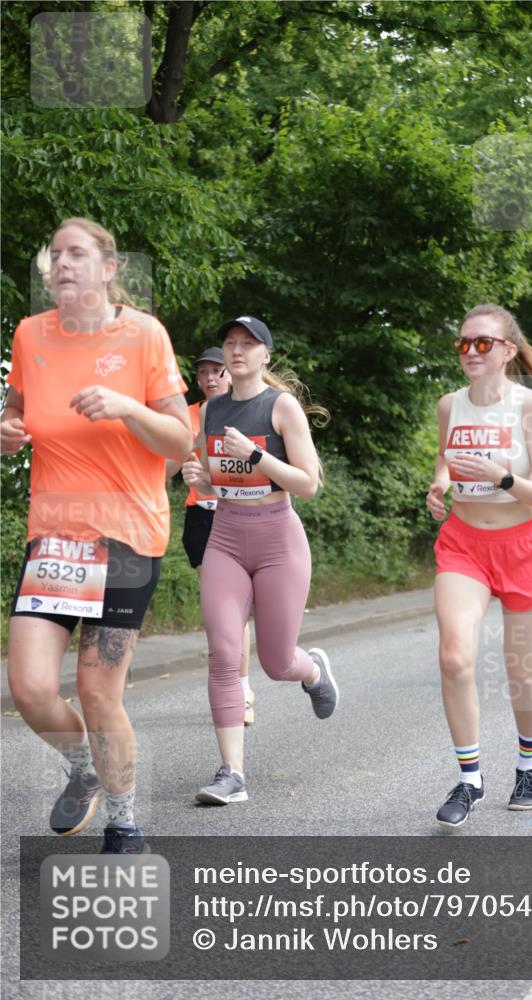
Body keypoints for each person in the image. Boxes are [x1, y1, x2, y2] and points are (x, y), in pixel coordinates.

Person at [1, 217, 191, 853]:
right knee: (28, 687)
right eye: (54, 255)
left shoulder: (143, 336)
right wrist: (5, 430)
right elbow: (17, 412)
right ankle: (82, 768)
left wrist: (127, 406)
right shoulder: (31, 335)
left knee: (96, 688)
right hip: (57, 538)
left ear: (109, 269)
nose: (61, 264)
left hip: (128, 537)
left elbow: (180, 439)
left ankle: (124, 822)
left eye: (76, 254)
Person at [182, 315, 337, 805]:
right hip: (225, 536)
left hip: (278, 539)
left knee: (274, 661)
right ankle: (231, 773)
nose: (236, 350)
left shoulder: (281, 406)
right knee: (225, 655)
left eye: (248, 344)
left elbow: (309, 485)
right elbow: (216, 479)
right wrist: (198, 475)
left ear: (265, 355)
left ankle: (311, 669)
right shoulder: (212, 410)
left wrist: (254, 455)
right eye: (230, 343)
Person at [426, 303, 532, 829]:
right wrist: (440, 485)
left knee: (520, 668)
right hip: (464, 544)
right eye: (463, 343)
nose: (469, 352)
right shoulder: (449, 404)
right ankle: (470, 779)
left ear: (507, 350)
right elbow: (446, 457)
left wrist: (502, 477)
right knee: (454, 657)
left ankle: (528, 766)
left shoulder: (528, 407)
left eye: (482, 343)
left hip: (524, 542)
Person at [166, 347, 255, 725]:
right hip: (200, 519)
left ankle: (243, 689)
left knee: (236, 609)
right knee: (221, 610)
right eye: (203, 373)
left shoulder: (249, 411)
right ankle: (231, 686)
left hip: (241, 515)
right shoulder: (187, 415)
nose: (210, 379)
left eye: (217, 371)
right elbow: (169, 461)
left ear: (231, 374)